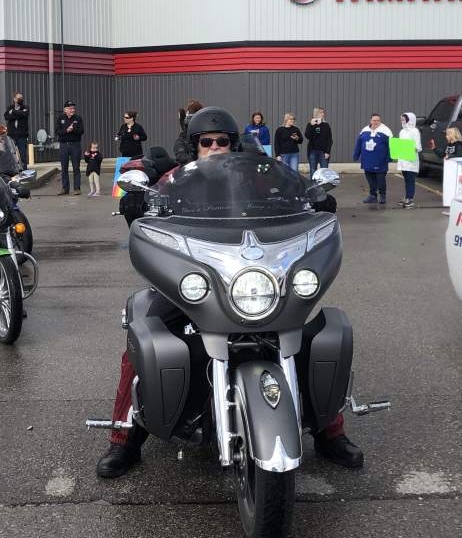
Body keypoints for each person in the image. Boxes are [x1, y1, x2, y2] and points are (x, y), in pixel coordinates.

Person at [96, 106, 362, 477]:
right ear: (195, 145)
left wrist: (313, 199)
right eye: (207, 142)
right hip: (197, 279)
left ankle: (330, 431)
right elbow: (144, 202)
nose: (215, 147)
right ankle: (124, 439)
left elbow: (289, 195)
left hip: (252, 278)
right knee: (142, 336)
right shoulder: (173, 178)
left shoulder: (253, 178)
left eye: (223, 141)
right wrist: (136, 202)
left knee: (308, 335)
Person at [354, 113, 393, 205]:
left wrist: (389, 157)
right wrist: (356, 155)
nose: (376, 122)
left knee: (380, 180)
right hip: (367, 161)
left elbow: (391, 145)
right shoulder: (364, 130)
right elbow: (359, 143)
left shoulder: (386, 130)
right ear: (370, 121)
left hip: (380, 161)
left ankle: (382, 196)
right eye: (374, 120)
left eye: (377, 120)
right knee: (370, 179)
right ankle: (372, 196)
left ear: (380, 121)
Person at [55, 101, 85, 195]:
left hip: (75, 145)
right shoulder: (60, 118)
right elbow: (57, 131)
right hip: (64, 145)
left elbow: (81, 131)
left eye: (73, 108)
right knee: (64, 168)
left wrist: (73, 129)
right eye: (70, 108)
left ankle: (77, 188)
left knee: (76, 167)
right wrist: (66, 130)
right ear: (65, 109)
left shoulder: (78, 118)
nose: (72, 110)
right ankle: (65, 188)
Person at [396, 111, 420, 208]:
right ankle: (406, 197)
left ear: (409, 119)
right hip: (403, 160)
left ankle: (410, 198)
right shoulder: (402, 131)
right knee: (406, 180)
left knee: (411, 180)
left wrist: (411, 149)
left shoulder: (415, 131)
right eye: (401, 119)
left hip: (411, 160)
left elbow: (418, 146)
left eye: (404, 119)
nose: (402, 121)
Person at [4, 92, 30, 166]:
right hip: (11, 135)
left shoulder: (25, 107)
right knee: (11, 155)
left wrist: (13, 112)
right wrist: (19, 114)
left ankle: (24, 172)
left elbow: (25, 114)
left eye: (21, 98)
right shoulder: (10, 107)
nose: (20, 99)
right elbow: (6, 116)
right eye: (18, 98)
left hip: (22, 136)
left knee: (23, 156)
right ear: (14, 99)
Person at [304, 107, 333, 174]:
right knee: (313, 170)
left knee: (324, 171)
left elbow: (329, 140)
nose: (323, 114)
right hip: (312, 151)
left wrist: (327, 152)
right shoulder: (310, 124)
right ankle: (313, 184)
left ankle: (324, 184)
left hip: (323, 152)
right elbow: (307, 136)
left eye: (323, 112)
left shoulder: (326, 125)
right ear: (316, 113)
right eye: (321, 112)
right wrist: (312, 125)